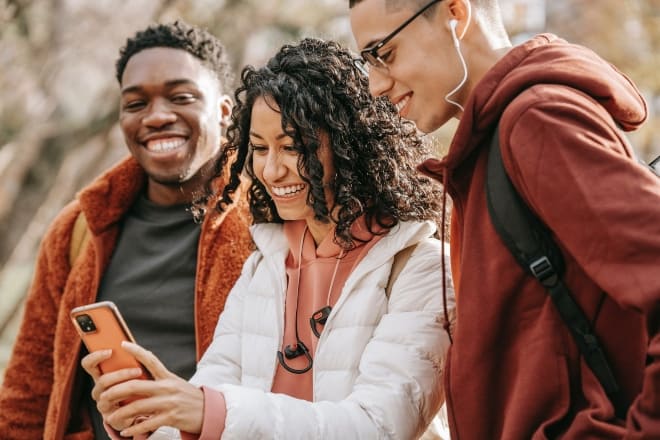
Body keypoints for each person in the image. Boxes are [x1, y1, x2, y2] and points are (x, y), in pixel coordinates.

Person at [81, 37, 455, 439]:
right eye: (259, 148)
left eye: (293, 147)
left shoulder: (422, 267)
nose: (272, 170)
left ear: (351, 145)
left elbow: (377, 427)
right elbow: (210, 399)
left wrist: (207, 410)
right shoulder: (266, 265)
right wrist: (148, 418)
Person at [349, 0, 660, 438]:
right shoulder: (489, 146)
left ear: (456, 14)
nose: (375, 85)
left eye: (384, 53)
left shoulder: (536, 122)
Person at [0, 21, 252, 439]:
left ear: (224, 112)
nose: (157, 116)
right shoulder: (79, 228)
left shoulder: (270, 221)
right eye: (136, 104)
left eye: (181, 97)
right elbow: (29, 391)